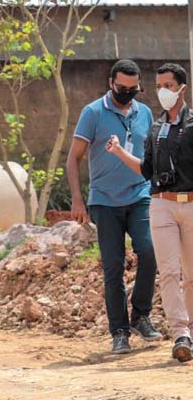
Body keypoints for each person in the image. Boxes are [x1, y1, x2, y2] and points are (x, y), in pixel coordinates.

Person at [67, 59, 161, 354]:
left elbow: (149, 160)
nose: (127, 93)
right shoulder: (93, 112)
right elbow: (74, 159)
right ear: (111, 82)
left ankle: (141, 316)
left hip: (139, 195)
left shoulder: (144, 113)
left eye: (133, 89)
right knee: (113, 266)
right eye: (122, 88)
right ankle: (119, 331)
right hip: (104, 201)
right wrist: (78, 199)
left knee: (149, 251)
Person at [106, 63, 189, 361]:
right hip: (160, 203)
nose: (162, 92)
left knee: (190, 276)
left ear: (182, 88)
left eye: (168, 85)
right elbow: (146, 170)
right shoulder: (156, 127)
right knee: (168, 272)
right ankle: (181, 333)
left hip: (190, 204)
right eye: (158, 86)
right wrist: (118, 152)